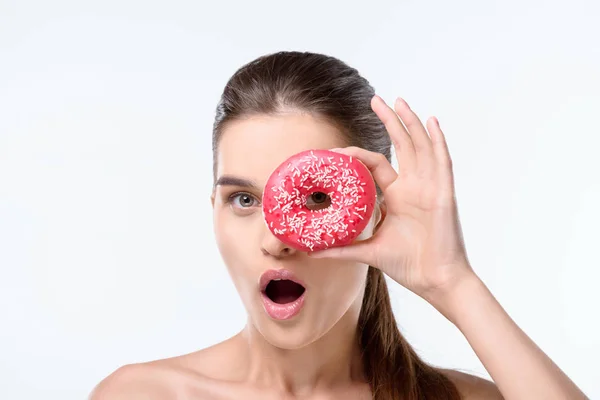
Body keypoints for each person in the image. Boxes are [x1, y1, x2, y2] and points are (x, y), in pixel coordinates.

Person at [90, 51, 588, 399]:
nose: (274, 241)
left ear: (377, 212)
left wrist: (452, 282)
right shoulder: (143, 394)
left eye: (315, 199)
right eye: (243, 199)